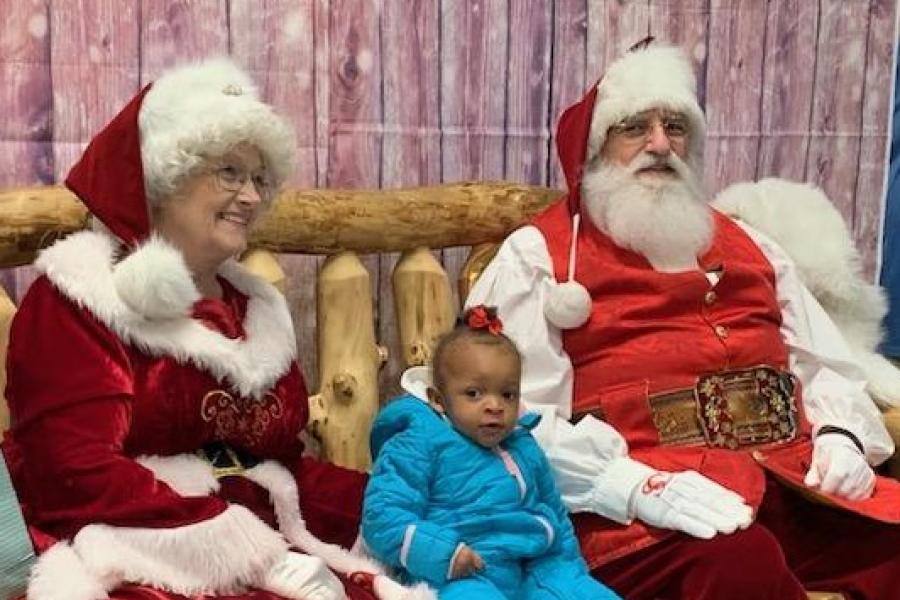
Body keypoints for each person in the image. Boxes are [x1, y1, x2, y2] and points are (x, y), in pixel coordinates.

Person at [465, 42, 900, 599]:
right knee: (740, 566)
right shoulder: (540, 258)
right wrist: (631, 486)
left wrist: (841, 436)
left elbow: (827, 362)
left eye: (675, 125)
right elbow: (505, 414)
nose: (660, 144)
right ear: (595, 150)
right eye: (634, 128)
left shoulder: (754, 245)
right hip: (644, 516)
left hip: (792, 488)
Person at [0, 59, 434, 600]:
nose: (252, 197)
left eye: (259, 178)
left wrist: (407, 503)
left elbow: (282, 469)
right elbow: (73, 475)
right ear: (162, 176)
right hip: (121, 549)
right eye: (229, 172)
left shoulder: (252, 309)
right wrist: (250, 552)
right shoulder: (79, 301)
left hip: (255, 537)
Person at [362, 306, 620, 600]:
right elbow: (382, 516)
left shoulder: (523, 444)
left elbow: (554, 513)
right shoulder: (417, 443)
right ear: (438, 400)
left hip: (531, 566)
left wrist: (569, 570)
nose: (494, 405)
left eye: (507, 394)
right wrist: (443, 553)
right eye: (474, 393)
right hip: (458, 571)